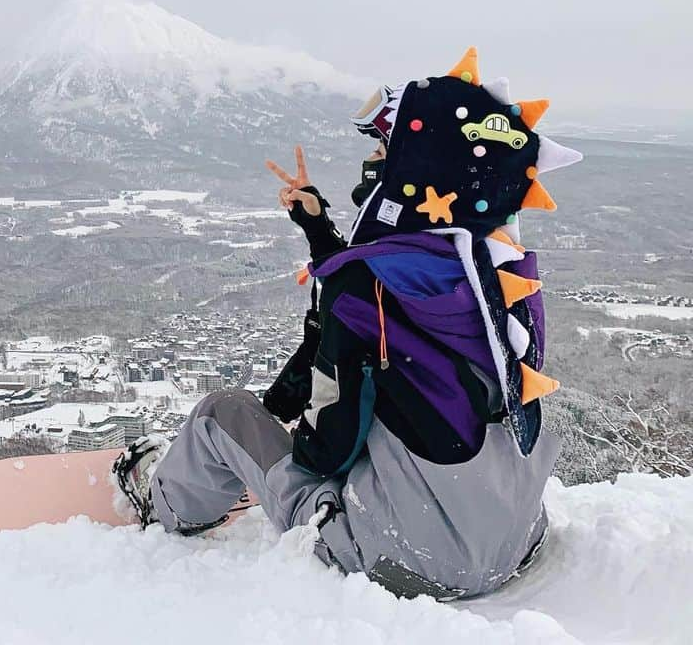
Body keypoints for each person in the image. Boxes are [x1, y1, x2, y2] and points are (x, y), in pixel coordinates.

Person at [114, 49, 580, 600]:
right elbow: (382, 300)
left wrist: (279, 440)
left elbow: (324, 450)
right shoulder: (490, 272)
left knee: (222, 414)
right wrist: (319, 232)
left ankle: (166, 504)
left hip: (410, 559)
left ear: (413, 171)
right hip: (517, 539)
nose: (375, 161)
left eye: (386, 150)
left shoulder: (365, 287)